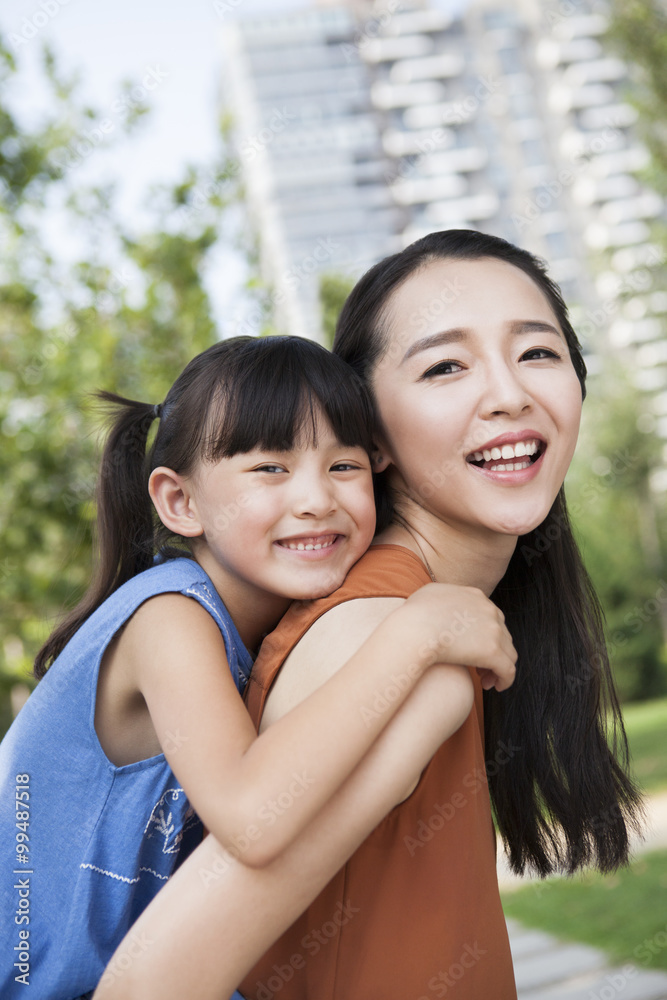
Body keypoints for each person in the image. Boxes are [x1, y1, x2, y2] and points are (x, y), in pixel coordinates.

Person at [94, 230, 643, 1000]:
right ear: (369, 431)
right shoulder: (397, 648)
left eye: (537, 353)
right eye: (445, 365)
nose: (509, 393)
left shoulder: (430, 624)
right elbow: (147, 986)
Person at [0, 333, 517, 1000]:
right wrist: (414, 633)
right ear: (180, 502)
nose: (315, 499)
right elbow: (251, 816)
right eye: (270, 469)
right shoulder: (168, 618)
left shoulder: (261, 629)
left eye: (343, 467)